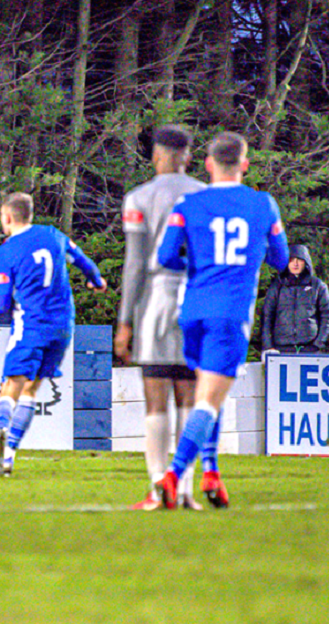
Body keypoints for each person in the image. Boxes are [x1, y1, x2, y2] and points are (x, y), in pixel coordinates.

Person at [155, 131, 289, 509]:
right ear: (245, 164)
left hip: (193, 311)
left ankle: (211, 473)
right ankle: (173, 476)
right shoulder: (263, 205)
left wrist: (197, 267)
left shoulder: (188, 203)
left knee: (209, 392)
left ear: (209, 165)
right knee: (209, 400)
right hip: (230, 314)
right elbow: (280, 260)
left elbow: (166, 256)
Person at [0, 192, 107, 476]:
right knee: (32, 391)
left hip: (31, 326)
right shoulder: (53, 235)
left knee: (11, 387)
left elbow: (0, 303)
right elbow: (83, 261)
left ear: (7, 217)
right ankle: (8, 456)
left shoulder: (6, 252)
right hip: (62, 326)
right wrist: (96, 280)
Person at [114, 125, 207, 511]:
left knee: (155, 396)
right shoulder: (206, 196)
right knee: (189, 395)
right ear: (187, 156)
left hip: (155, 298)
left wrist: (125, 321)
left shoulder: (140, 197)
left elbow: (135, 264)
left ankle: (158, 487)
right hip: (197, 298)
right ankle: (183, 487)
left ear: (156, 155)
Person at [261, 244, 329, 355]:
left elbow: (326, 316)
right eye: (291, 260)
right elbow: (267, 316)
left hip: (310, 349)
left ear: (306, 262)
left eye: (299, 260)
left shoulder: (318, 286)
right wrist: (268, 346)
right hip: (281, 349)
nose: (295, 264)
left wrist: (318, 344)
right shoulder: (276, 287)